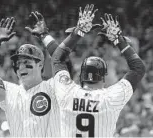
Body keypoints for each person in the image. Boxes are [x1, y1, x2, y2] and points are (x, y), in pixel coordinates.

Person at [51, 6, 146, 137]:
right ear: (103, 77)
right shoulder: (111, 97)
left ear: (81, 77)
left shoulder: (67, 92)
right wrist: (119, 40)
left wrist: (78, 32)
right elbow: (138, 68)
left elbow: (57, 59)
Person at [0, 17, 61, 137]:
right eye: (18, 63)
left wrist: (45, 36)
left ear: (40, 64)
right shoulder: (9, 92)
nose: (21, 67)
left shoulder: (53, 88)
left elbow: (61, 59)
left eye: (26, 62)